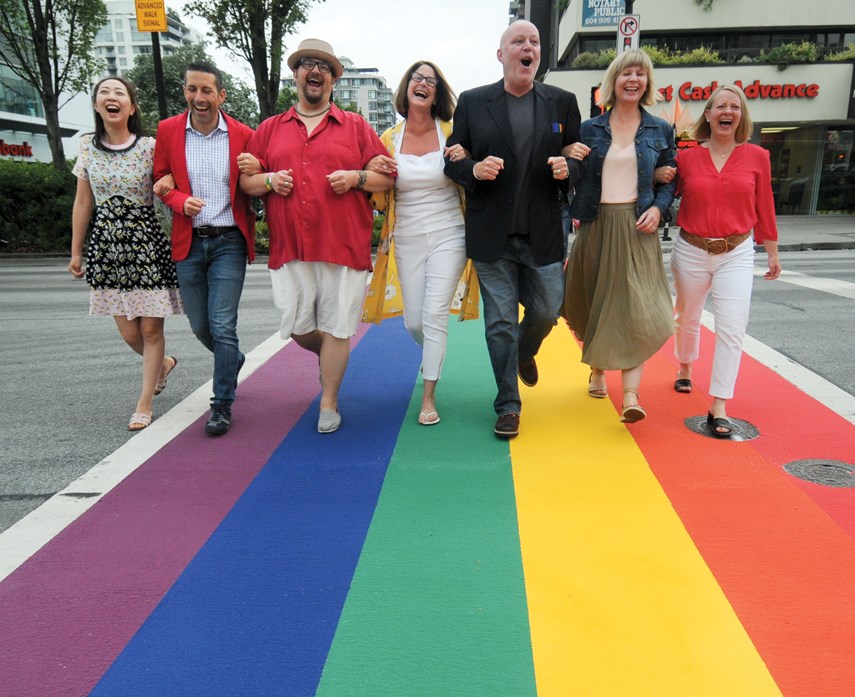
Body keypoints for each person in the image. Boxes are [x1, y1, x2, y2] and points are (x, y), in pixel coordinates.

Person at [239, 38, 393, 434]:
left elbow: (385, 177)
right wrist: (271, 179)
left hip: (343, 244)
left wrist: (356, 177)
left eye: (324, 67)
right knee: (297, 326)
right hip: (290, 245)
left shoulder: (356, 126)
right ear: (296, 75)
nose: (315, 71)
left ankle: (329, 400)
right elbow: (247, 181)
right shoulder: (271, 129)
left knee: (340, 325)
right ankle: (332, 360)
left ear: (332, 80)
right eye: (307, 64)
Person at [444, 20, 582, 439]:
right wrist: (474, 169)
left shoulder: (562, 101)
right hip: (492, 235)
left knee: (546, 310)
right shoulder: (472, 101)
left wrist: (568, 167)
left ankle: (525, 352)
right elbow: (452, 159)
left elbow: (578, 155)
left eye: (534, 42)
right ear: (501, 54)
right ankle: (507, 405)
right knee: (499, 322)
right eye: (518, 41)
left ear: (539, 55)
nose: (528, 47)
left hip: (543, 229)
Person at [563, 48, 676, 423]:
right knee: (594, 300)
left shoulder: (661, 129)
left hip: (637, 226)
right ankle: (597, 367)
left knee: (635, 309)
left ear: (647, 83)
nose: (633, 80)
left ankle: (630, 395)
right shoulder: (588, 128)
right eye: (626, 73)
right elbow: (574, 177)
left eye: (640, 74)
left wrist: (659, 208)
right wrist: (566, 166)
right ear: (613, 81)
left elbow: (670, 178)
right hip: (596, 223)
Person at [68, 77, 183, 432]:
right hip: (107, 248)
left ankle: (144, 403)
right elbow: (83, 201)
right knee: (130, 334)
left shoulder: (150, 146)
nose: (112, 97)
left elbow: (172, 182)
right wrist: (76, 250)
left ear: (131, 107)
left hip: (146, 244)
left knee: (150, 328)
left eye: (120, 93)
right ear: (98, 105)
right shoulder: (87, 147)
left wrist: (169, 186)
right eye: (105, 92)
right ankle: (162, 364)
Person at [668, 84, 781, 437]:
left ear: (740, 116)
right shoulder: (685, 157)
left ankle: (719, 403)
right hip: (690, 249)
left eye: (734, 106)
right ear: (709, 114)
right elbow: (663, 194)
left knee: (732, 327)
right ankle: (685, 365)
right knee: (687, 315)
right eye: (720, 106)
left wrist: (773, 252)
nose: (727, 112)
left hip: (736, 251)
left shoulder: (757, 157)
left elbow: (765, 206)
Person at [363, 61, 472, 426]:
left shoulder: (453, 132)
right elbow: (375, 187)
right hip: (406, 237)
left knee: (434, 315)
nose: (423, 83)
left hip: (449, 234)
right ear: (407, 87)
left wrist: (466, 157)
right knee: (413, 323)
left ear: (438, 93)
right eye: (417, 78)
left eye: (431, 80)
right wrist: (373, 167)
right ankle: (434, 353)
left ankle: (428, 396)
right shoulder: (389, 138)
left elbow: (470, 171)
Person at [153, 62, 257, 437]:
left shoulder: (244, 135)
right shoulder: (167, 131)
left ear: (220, 95)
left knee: (222, 326)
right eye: (192, 90)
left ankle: (222, 404)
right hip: (189, 240)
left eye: (207, 91)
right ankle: (233, 362)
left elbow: (255, 179)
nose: (199, 97)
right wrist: (180, 201)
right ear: (185, 92)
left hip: (229, 238)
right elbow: (160, 178)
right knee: (200, 327)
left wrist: (258, 165)